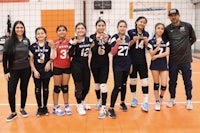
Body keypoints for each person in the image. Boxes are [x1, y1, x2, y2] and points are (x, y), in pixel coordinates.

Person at [164, 9, 196, 109]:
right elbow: (166, 42)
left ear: (179, 15)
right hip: (173, 60)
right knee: (172, 81)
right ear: (169, 17)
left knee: (187, 81)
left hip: (185, 60)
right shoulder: (167, 29)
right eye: (171, 15)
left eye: (175, 15)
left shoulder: (187, 26)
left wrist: (186, 46)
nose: (173, 17)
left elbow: (193, 38)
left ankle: (189, 100)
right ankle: (172, 99)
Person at [3, 20, 31, 122]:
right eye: (17, 27)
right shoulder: (9, 41)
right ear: (14, 29)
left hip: (26, 70)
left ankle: (22, 109)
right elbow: (5, 58)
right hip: (13, 70)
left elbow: (30, 54)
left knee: (23, 89)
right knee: (11, 91)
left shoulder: (27, 40)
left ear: (24, 29)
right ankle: (13, 112)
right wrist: (6, 72)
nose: (19, 29)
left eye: (21, 27)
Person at [108, 20, 131, 118]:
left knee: (124, 84)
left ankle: (122, 102)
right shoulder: (114, 38)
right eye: (120, 26)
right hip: (117, 66)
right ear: (117, 27)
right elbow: (112, 53)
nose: (122, 28)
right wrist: (117, 44)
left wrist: (131, 65)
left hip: (126, 64)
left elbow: (128, 52)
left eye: (124, 26)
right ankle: (111, 108)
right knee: (117, 86)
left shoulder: (127, 38)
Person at [69, 22, 92, 115]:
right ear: (75, 30)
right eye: (78, 28)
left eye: (82, 28)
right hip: (75, 66)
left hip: (85, 66)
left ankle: (82, 101)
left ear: (85, 30)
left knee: (87, 86)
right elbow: (70, 54)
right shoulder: (72, 40)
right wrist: (73, 45)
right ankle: (79, 105)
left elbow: (94, 47)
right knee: (79, 86)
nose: (80, 30)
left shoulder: (89, 40)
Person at [90, 19, 111, 119]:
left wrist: (106, 42)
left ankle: (103, 106)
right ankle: (98, 100)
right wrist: (97, 41)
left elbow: (108, 51)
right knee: (97, 84)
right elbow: (93, 51)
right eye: (99, 25)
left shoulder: (108, 36)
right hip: (94, 63)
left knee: (103, 84)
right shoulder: (92, 37)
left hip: (104, 64)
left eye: (103, 25)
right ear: (96, 27)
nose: (101, 27)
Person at [128, 16, 149, 112]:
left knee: (145, 81)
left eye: (144, 22)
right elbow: (127, 46)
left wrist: (146, 42)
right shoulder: (130, 32)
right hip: (132, 60)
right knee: (133, 81)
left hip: (142, 60)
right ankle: (134, 98)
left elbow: (147, 48)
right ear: (136, 22)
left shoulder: (146, 34)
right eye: (141, 21)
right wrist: (133, 40)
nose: (142, 24)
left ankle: (146, 101)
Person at [29, 27, 52, 117]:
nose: (40, 35)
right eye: (38, 33)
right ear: (36, 35)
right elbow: (31, 60)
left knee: (46, 89)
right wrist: (34, 70)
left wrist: (49, 62)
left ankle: (45, 107)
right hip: (37, 71)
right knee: (37, 89)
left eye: (42, 33)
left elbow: (52, 57)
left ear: (45, 34)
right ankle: (39, 107)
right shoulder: (32, 46)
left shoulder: (49, 45)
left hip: (46, 71)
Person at [50, 25, 72, 116]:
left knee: (65, 87)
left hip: (67, 67)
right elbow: (52, 57)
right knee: (57, 87)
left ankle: (66, 105)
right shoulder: (54, 42)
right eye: (59, 30)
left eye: (63, 30)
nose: (62, 32)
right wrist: (54, 48)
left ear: (66, 32)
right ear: (57, 32)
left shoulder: (69, 42)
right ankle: (55, 107)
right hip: (57, 67)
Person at [148, 23, 169, 111]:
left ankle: (161, 97)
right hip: (155, 65)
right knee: (156, 84)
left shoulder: (166, 40)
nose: (160, 30)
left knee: (164, 84)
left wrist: (156, 56)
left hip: (163, 64)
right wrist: (158, 46)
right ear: (155, 29)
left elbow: (167, 53)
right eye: (158, 28)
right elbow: (151, 53)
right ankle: (157, 101)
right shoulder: (151, 41)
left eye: (162, 28)